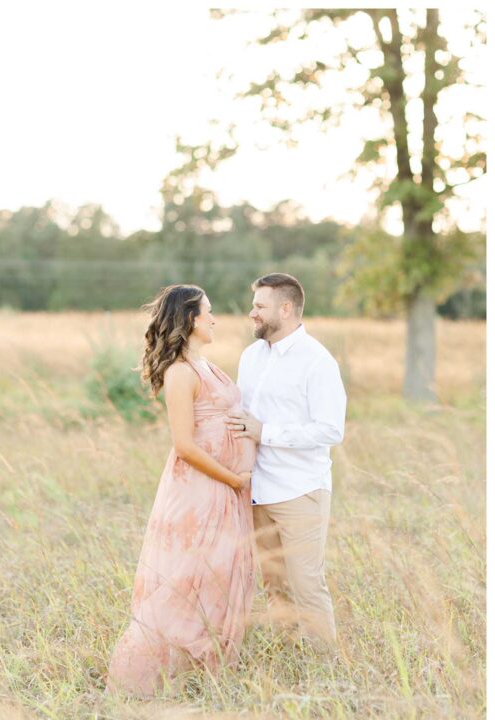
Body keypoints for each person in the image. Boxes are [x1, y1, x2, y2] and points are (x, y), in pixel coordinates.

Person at [108, 285, 256, 697]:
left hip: (228, 489)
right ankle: (150, 680)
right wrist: (233, 478)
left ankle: (208, 670)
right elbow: (184, 445)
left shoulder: (209, 367)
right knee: (186, 577)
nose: (214, 319)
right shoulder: (180, 373)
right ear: (190, 318)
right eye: (208, 312)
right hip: (201, 491)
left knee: (220, 577)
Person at [224, 273, 346, 649]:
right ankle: (291, 656)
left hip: (300, 490)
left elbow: (330, 430)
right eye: (254, 306)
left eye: (260, 307)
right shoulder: (251, 356)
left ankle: (326, 667)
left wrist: (267, 432)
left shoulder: (317, 362)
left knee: (307, 583)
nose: (252, 313)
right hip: (257, 489)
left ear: (286, 308)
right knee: (274, 584)